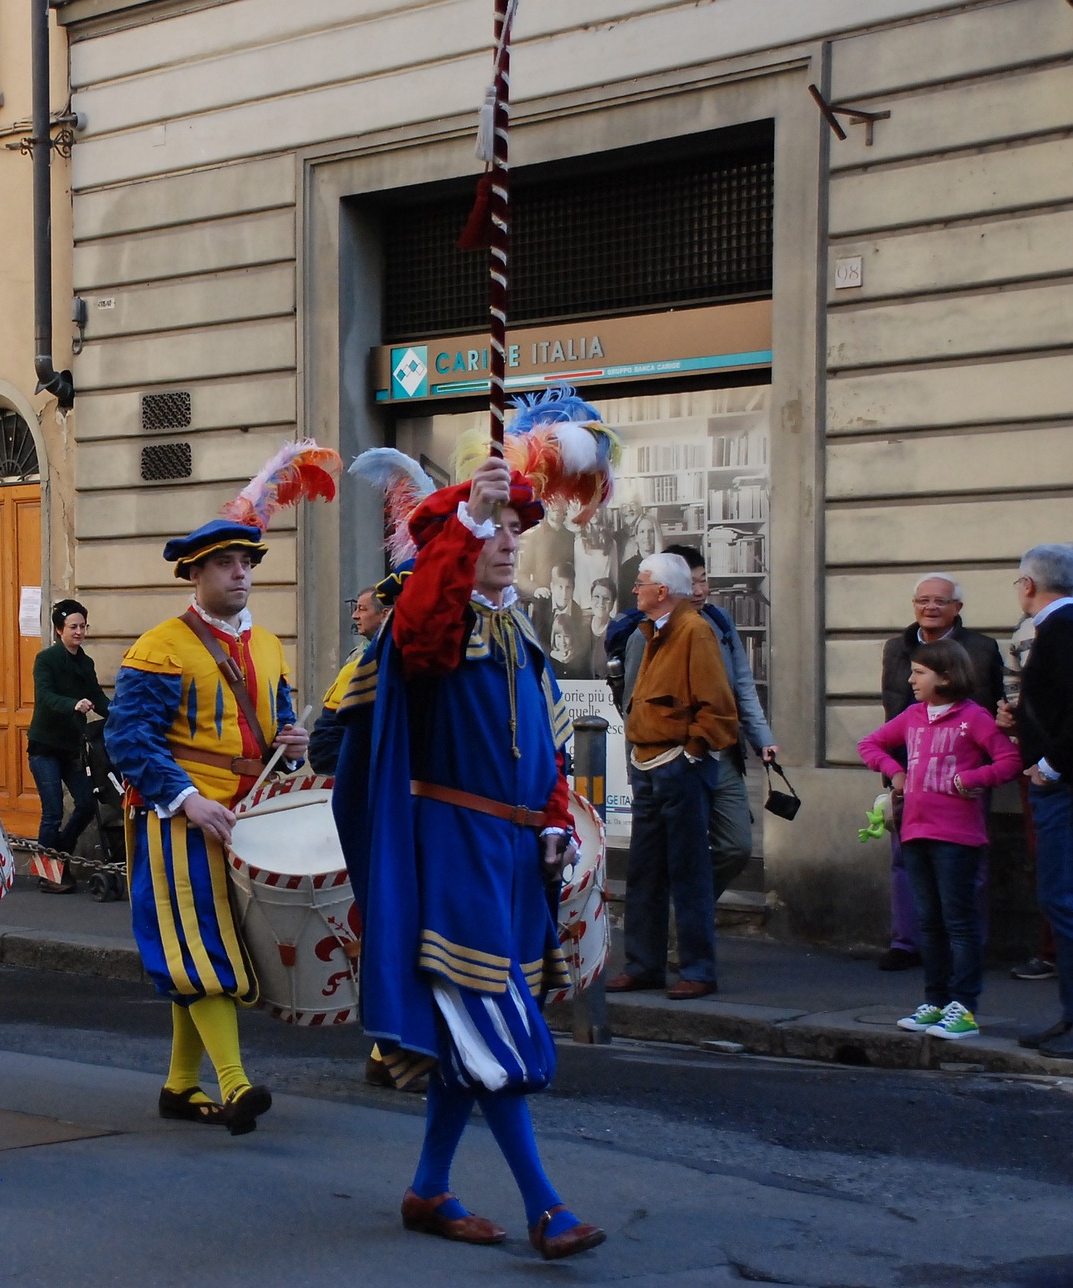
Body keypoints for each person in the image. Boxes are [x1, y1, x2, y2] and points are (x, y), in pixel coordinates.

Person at [333, 446, 605, 1262]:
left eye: (515, 526)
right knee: (493, 1027)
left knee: (466, 1036)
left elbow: (549, 751)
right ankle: (546, 1207)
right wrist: (466, 517)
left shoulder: (519, 635)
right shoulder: (435, 627)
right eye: (494, 527)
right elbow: (420, 628)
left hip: (515, 857)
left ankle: (428, 1189)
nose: (508, 537)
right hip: (453, 849)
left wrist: (556, 821)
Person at [104, 442, 331, 1136]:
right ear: (194, 573)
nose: (241, 574)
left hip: (244, 814)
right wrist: (185, 799)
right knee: (201, 945)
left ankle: (180, 1084)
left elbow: (280, 719)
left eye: (247, 563)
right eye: (227, 564)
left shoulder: (267, 644)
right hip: (179, 819)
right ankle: (234, 1084)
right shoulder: (159, 647)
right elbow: (128, 739)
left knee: (204, 946)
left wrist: (294, 745)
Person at [859, 639, 1022, 1040]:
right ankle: (934, 1001)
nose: (911, 679)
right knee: (928, 922)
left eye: (919, 672)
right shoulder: (914, 716)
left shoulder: (974, 718)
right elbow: (870, 743)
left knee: (958, 923)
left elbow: (1010, 761)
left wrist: (973, 778)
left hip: (957, 836)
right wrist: (896, 774)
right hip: (914, 829)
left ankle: (964, 1007)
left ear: (945, 677)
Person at [607, 551, 738, 999]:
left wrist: (691, 752)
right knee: (645, 871)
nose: (635, 589)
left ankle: (698, 970)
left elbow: (718, 708)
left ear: (661, 592)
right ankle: (644, 965)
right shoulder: (658, 629)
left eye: (641, 582)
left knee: (688, 870)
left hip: (677, 765)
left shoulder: (694, 632)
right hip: (651, 763)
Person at [878, 573, 1005, 971]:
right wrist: (894, 769)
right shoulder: (897, 648)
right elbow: (891, 708)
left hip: (960, 777)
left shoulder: (982, 649)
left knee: (969, 863)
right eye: (923, 600)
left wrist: (978, 774)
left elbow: (994, 708)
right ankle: (907, 941)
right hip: (910, 772)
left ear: (957, 608)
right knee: (904, 859)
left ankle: (967, 944)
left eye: (940, 601)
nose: (930, 607)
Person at [1004, 544, 1073, 1060]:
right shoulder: (1066, 627)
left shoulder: (1065, 629)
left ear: (1030, 585)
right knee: (1068, 900)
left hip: (1066, 787)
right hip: (1063, 783)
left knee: (1068, 900)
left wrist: (1050, 765)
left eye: (1019, 582)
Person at [657, 544, 778, 897]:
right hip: (675, 758)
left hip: (721, 752)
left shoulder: (719, 622)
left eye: (703, 580)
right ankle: (681, 936)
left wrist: (762, 736)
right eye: (690, 582)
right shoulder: (650, 631)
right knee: (680, 851)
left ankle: (692, 910)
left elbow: (742, 684)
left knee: (736, 845)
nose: (699, 590)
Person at [26, 598, 111, 892]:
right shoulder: (46, 660)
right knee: (52, 811)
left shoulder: (85, 662)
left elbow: (97, 697)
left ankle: (57, 850)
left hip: (72, 749)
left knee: (87, 804)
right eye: (73, 626)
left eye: (83, 626)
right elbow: (46, 696)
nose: (79, 632)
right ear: (59, 629)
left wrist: (119, 716)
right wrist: (73, 704)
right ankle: (48, 875)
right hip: (44, 748)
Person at [311, 585, 389, 775]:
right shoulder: (356, 663)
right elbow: (325, 745)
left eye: (362, 609)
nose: (354, 616)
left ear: (384, 614)